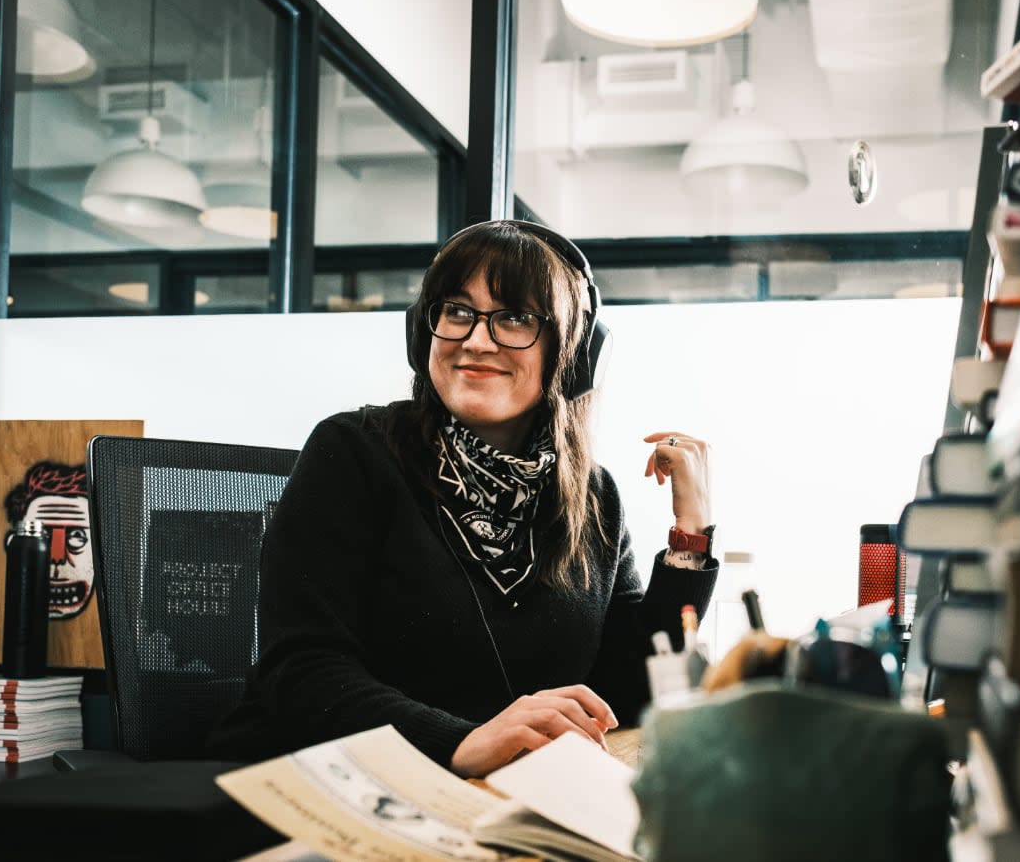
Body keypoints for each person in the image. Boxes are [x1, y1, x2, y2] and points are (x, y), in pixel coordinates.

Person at [208, 219, 718, 778]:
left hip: (488, 795)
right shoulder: (353, 452)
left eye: (516, 318)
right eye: (457, 311)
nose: (477, 340)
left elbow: (624, 689)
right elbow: (300, 672)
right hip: (332, 787)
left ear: (572, 355)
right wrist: (459, 742)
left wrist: (691, 535)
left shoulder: (592, 497)